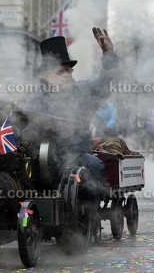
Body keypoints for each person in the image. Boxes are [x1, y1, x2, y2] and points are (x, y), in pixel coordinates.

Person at [22, 28, 120, 191]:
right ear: (47, 75)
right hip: (42, 160)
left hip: (77, 156)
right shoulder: (36, 100)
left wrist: (108, 54)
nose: (67, 74)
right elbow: (23, 126)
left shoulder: (83, 91)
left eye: (69, 70)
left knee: (95, 166)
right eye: (61, 71)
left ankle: (90, 214)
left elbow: (106, 84)